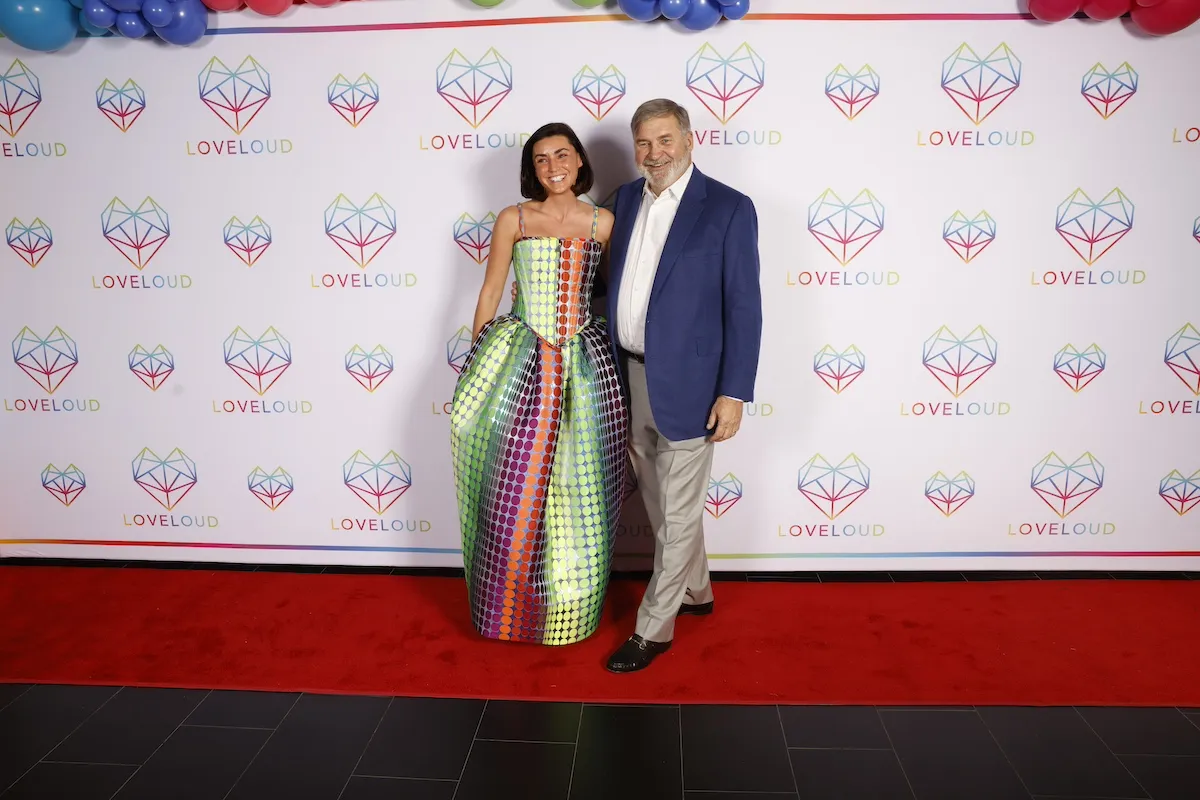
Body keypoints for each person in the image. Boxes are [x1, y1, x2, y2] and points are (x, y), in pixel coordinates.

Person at [449, 122, 629, 646]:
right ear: (532, 168)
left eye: (562, 155)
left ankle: (571, 607)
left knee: (580, 485)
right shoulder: (514, 218)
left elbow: (613, 299)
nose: (553, 167)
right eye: (542, 159)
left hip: (583, 364)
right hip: (520, 357)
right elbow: (490, 293)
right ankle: (504, 603)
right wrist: (473, 371)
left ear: (578, 161)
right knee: (514, 482)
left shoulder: (603, 223)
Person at [602, 98, 763, 673]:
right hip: (630, 375)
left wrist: (734, 392)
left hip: (696, 385)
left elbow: (744, 307)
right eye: (644, 143)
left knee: (676, 510)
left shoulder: (727, 208)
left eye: (665, 140)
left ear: (691, 140)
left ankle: (653, 630)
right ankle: (696, 590)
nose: (654, 154)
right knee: (664, 504)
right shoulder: (622, 200)